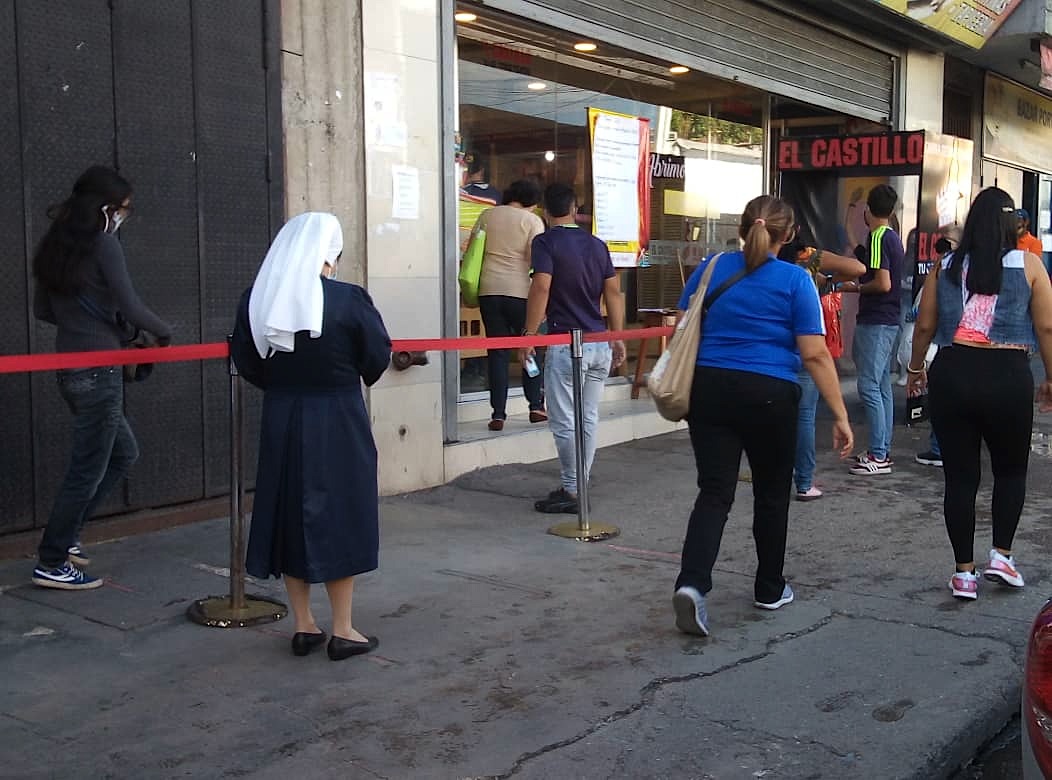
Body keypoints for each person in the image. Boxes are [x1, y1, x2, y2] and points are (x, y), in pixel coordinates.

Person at [671, 195, 854, 636]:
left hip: (709, 388)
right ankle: (769, 588)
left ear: (743, 227)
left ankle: (693, 585)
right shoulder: (795, 279)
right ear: (788, 235)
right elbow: (814, 354)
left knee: (714, 492)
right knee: (772, 494)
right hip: (771, 393)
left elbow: (683, 323)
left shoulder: (712, 267)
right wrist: (841, 415)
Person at [230, 212, 391, 660]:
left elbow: (248, 360)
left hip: (282, 413)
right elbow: (376, 357)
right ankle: (344, 628)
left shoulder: (256, 299)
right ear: (328, 255)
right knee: (342, 510)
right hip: (338, 412)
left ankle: (304, 624)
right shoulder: (348, 299)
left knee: (286, 509)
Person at [31, 166, 172, 590]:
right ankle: (53, 559)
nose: (124, 217)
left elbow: (44, 312)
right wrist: (165, 333)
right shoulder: (104, 245)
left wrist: (82, 320)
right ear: (107, 208)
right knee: (88, 468)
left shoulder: (55, 245)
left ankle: (68, 533)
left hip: (69, 367)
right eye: (124, 210)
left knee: (121, 453)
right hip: (100, 371)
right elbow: (130, 306)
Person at [907, 187, 1052, 601]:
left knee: (960, 477)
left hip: (953, 373)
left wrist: (916, 370)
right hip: (1007, 375)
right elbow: (1046, 328)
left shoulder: (946, 265)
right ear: (1013, 224)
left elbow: (924, 325)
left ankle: (964, 573)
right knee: (1011, 471)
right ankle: (1002, 556)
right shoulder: (1029, 265)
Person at [520, 183, 626, 514]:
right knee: (588, 417)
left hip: (566, 343)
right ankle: (577, 483)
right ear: (575, 208)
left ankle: (572, 489)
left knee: (565, 420)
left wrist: (529, 334)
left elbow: (541, 286)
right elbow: (613, 292)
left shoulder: (545, 242)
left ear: (544, 211)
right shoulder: (596, 245)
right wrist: (617, 336)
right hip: (597, 342)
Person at [780, 239, 865, 501]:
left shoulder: (763, 263)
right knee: (804, 415)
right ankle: (804, 481)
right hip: (805, 343)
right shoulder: (808, 261)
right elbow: (859, 268)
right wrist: (826, 276)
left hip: (774, 347)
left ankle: (775, 476)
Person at [838, 185, 904, 475]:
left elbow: (883, 283)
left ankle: (878, 456)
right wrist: (849, 211)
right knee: (881, 386)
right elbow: (856, 247)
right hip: (889, 321)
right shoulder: (890, 238)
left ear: (869, 211)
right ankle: (882, 448)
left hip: (876, 319)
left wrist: (855, 288)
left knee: (868, 385)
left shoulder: (878, 237)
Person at [475, 180, 547, 430]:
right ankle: (536, 405)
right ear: (531, 201)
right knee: (529, 347)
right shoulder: (532, 221)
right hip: (520, 292)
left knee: (497, 352)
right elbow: (535, 259)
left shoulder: (487, 215)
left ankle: (498, 413)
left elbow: (474, 249)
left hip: (489, 290)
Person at [913, 235, 955, 468]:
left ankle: (939, 449)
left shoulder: (943, 269)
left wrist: (915, 367)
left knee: (943, 404)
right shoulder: (1021, 264)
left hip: (949, 351)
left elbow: (924, 323)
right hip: (998, 357)